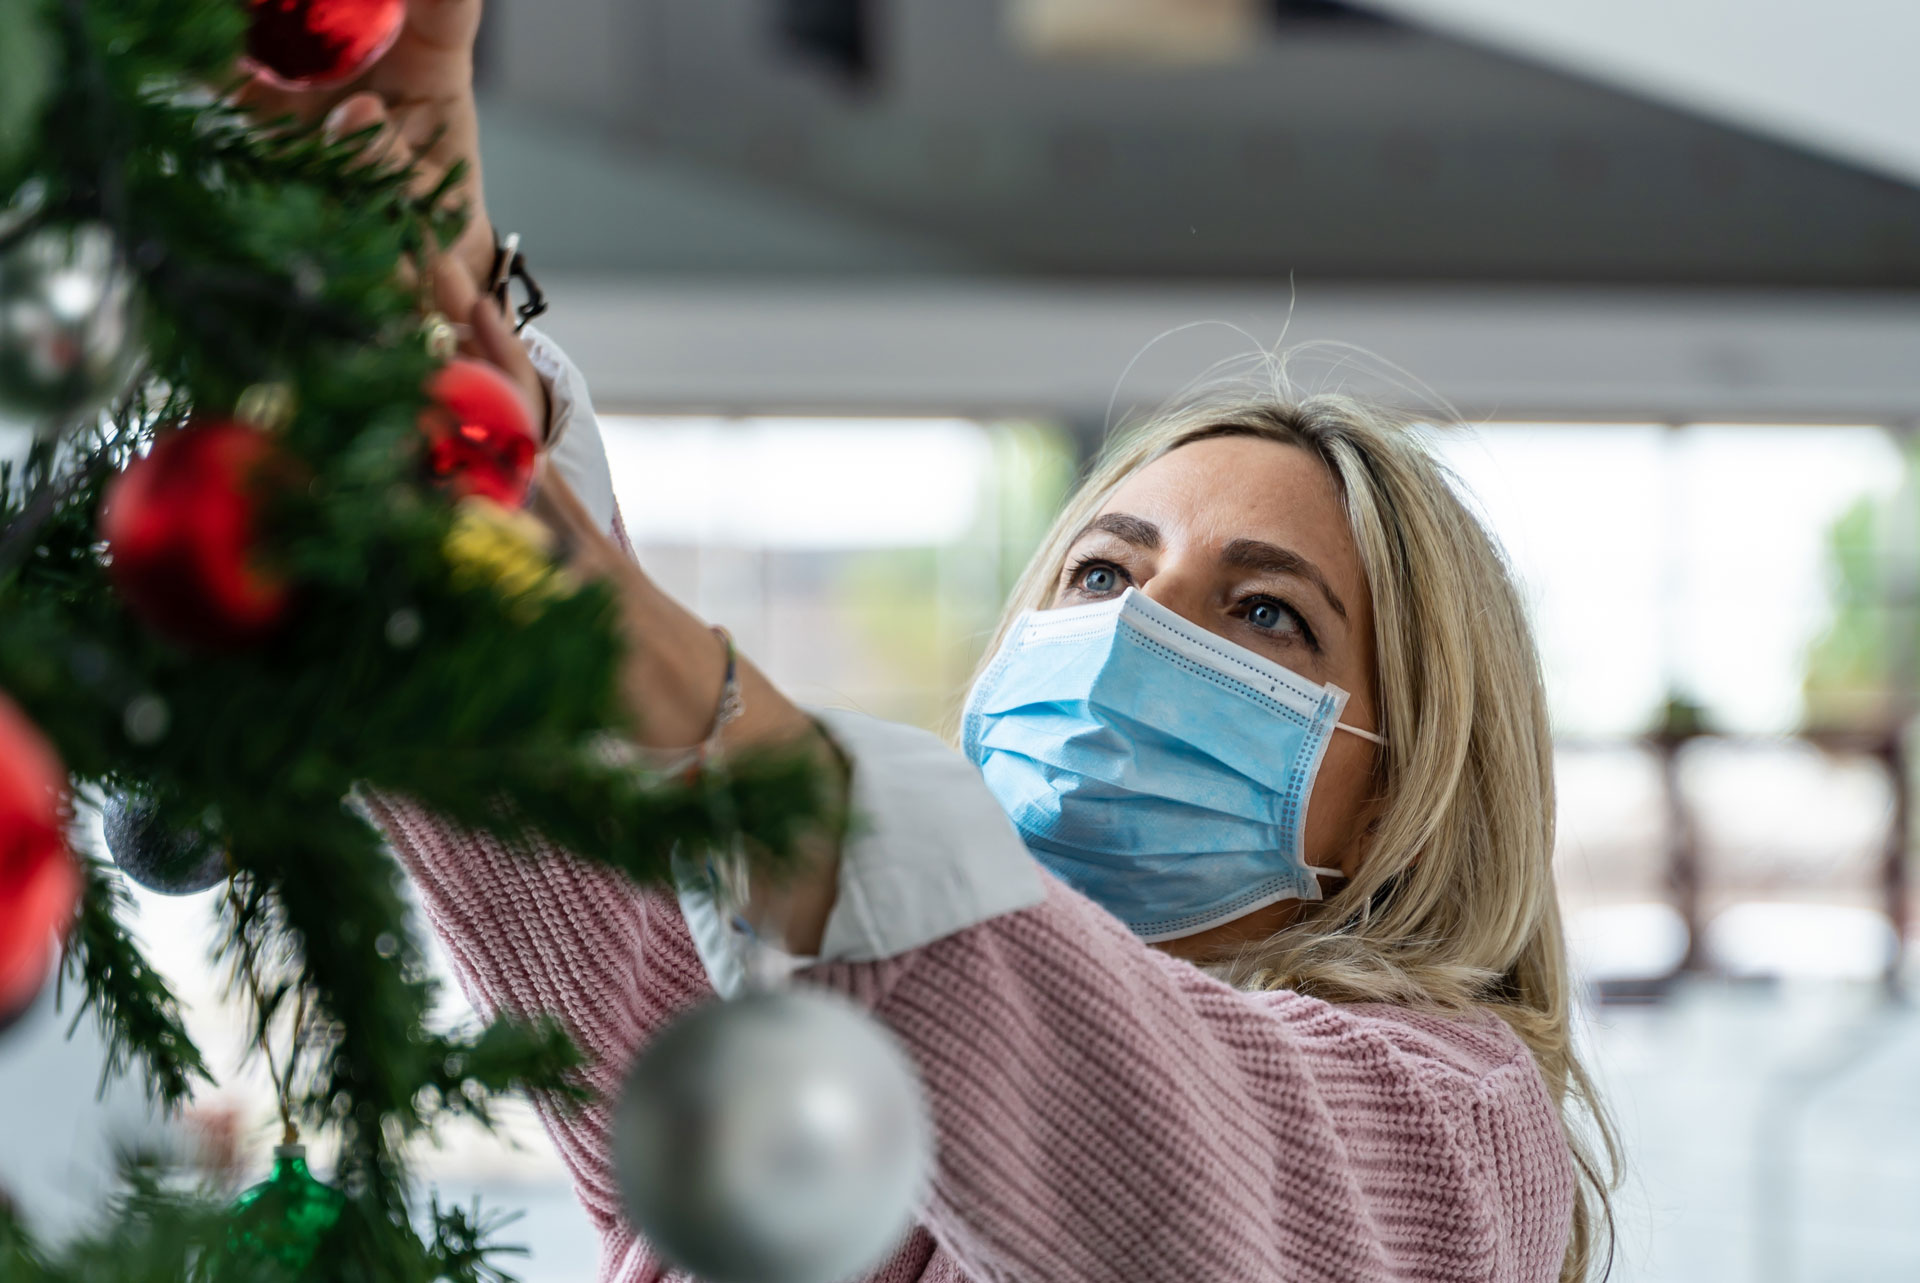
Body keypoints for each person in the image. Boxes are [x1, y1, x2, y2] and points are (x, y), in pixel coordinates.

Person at [292, 4, 1620, 1279]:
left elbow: (1166, 1156)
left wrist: (698, 703)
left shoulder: (1460, 1141)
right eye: (1100, 571)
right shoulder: (793, 1056)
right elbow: (557, 798)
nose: (1130, 633)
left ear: (1405, 785)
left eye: (1264, 611)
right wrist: (422, 313)